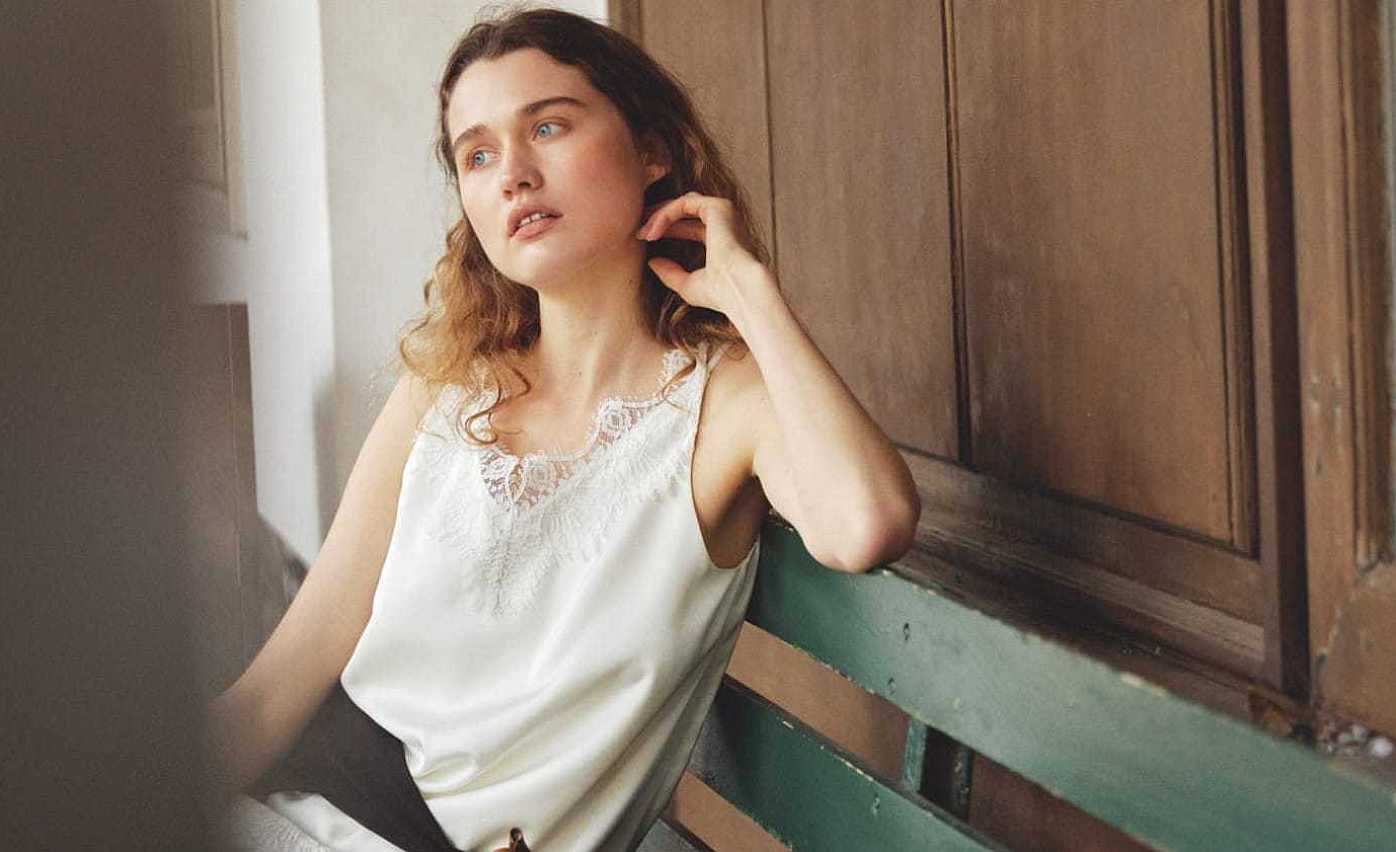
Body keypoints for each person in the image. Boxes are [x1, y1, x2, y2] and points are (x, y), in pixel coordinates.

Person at [209, 6, 920, 851]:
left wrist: (749, 293)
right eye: (477, 155)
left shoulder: (725, 402)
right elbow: (281, 683)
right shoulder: (444, 390)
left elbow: (866, 524)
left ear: (651, 151)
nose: (512, 174)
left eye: (547, 127)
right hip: (300, 812)